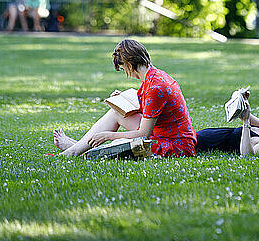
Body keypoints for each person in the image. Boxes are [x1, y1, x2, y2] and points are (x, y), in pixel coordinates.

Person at [53, 39, 197, 158]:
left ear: (128, 64)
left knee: (120, 144)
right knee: (116, 114)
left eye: (123, 69)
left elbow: (142, 134)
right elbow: (151, 108)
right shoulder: (155, 75)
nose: (126, 73)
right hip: (163, 134)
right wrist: (122, 98)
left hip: (175, 146)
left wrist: (108, 136)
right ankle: (75, 149)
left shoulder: (156, 87)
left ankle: (76, 149)